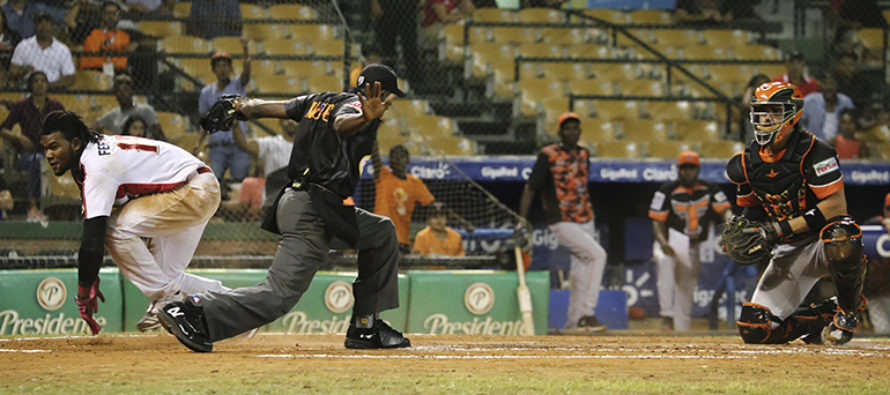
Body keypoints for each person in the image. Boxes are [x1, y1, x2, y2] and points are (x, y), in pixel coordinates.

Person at [157, 64, 410, 353]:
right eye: (389, 96)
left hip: (314, 207)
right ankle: (194, 311)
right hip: (311, 212)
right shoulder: (355, 109)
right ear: (378, 92)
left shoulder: (319, 100)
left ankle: (366, 326)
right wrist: (365, 116)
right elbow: (342, 124)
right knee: (279, 295)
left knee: (380, 232)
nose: (389, 104)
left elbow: (263, 108)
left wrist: (238, 105)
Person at [38, 110, 230, 334]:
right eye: (45, 149)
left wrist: (83, 290)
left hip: (192, 190)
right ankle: (236, 306)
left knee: (114, 228)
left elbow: (93, 238)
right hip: (197, 187)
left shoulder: (96, 167)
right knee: (165, 276)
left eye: (54, 146)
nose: (48, 155)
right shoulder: (93, 155)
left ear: (76, 143)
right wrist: (92, 273)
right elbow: (97, 234)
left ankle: (166, 299)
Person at [727, 81, 866, 345]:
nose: (766, 118)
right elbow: (752, 211)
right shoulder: (745, 163)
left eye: (774, 111)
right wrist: (743, 232)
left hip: (821, 241)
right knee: (754, 328)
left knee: (842, 236)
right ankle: (822, 315)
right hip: (789, 249)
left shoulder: (815, 151)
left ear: (793, 114)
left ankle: (848, 311)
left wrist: (779, 229)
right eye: (761, 111)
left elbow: (836, 207)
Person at [518, 112, 607, 332]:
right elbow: (531, 187)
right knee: (598, 255)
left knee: (580, 274)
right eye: (567, 127)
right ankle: (588, 313)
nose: (572, 131)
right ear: (559, 132)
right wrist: (522, 218)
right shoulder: (548, 154)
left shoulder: (584, 154)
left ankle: (572, 324)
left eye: (576, 127)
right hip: (561, 220)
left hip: (586, 217)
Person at [649, 150, 732, 332]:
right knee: (665, 262)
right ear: (678, 169)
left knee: (685, 293)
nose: (688, 172)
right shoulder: (667, 190)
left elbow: (725, 210)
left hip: (691, 247)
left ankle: (681, 334)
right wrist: (663, 243)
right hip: (669, 242)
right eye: (684, 168)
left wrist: (732, 227)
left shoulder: (710, 188)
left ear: (698, 169)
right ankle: (667, 316)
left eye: (691, 168)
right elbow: (657, 221)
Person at [0, 71, 64, 223]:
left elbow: (67, 126)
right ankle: (33, 207)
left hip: (52, 152)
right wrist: (17, 137)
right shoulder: (22, 106)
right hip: (26, 155)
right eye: (36, 81)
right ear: (30, 85)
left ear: (47, 85)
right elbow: (3, 128)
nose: (40, 84)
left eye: (43, 81)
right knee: (36, 160)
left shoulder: (55, 106)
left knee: (44, 159)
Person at [196, 49, 252, 184]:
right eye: (219, 66)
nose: (222, 69)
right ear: (214, 69)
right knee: (213, 181)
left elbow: (246, 73)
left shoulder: (238, 85)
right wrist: (198, 143)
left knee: (239, 181)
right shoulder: (206, 92)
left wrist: (245, 49)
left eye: (225, 65)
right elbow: (205, 121)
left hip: (238, 145)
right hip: (217, 146)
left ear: (230, 68)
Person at [371, 143, 435, 253]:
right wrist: (372, 130)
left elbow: (433, 205)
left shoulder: (415, 183)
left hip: (402, 240)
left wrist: (462, 222)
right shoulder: (382, 175)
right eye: (393, 156)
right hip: (381, 236)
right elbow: (375, 155)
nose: (396, 159)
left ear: (407, 160)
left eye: (400, 156)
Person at [230, 117, 296, 209]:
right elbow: (244, 145)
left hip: (298, 200)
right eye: (286, 119)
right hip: (274, 201)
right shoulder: (270, 144)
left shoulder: (310, 146)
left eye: (294, 119)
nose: (290, 121)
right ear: (280, 123)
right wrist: (235, 125)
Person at [8, 12, 75, 90]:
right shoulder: (23, 46)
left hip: (53, 92)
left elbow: (70, 79)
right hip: (27, 91)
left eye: (47, 22)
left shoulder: (62, 49)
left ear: (52, 25)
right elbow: (12, 73)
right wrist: (23, 71)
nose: (43, 26)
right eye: (39, 22)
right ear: (34, 25)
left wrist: (46, 86)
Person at [94, 74, 165, 140]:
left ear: (132, 92)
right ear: (116, 94)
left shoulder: (145, 110)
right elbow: (94, 125)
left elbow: (159, 135)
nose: (124, 94)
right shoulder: (113, 115)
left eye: (126, 90)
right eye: (120, 91)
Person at [371, 0, 421, 82]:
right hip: (387, 6)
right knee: (387, 46)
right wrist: (375, 3)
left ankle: (415, 81)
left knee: (410, 44)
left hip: (407, 6)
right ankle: (388, 78)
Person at [80, 1, 136, 72]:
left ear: (119, 15)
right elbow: (92, 61)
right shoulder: (93, 34)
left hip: (119, 72)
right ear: (102, 15)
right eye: (108, 13)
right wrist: (118, 60)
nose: (111, 16)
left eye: (115, 13)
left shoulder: (125, 36)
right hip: (97, 72)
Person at [800, 72, 854, 141]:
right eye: (825, 83)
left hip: (840, 146)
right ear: (820, 85)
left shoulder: (846, 102)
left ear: (837, 85)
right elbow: (798, 124)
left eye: (832, 83)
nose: (828, 87)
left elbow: (853, 126)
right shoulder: (809, 101)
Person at [1, 0, 80, 45]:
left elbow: (67, 19)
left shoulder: (37, 7)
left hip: (37, 49)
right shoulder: (2, 11)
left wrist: (78, 3)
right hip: (10, 49)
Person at [738, 74, 771, 142]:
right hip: (751, 141)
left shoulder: (774, 105)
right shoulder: (750, 108)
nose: (762, 88)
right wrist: (749, 91)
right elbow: (745, 105)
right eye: (759, 85)